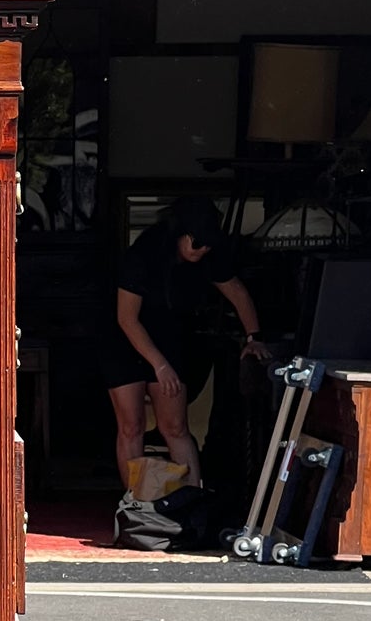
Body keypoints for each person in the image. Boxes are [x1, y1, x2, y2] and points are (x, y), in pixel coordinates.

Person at [101, 196, 269, 491]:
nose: (202, 249)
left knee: (175, 426)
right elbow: (127, 319)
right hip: (125, 337)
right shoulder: (144, 253)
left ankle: (193, 499)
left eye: (208, 244)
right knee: (131, 426)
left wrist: (253, 336)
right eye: (197, 243)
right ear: (182, 235)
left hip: (169, 335)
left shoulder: (208, 254)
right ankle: (135, 506)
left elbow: (238, 293)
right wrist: (159, 365)